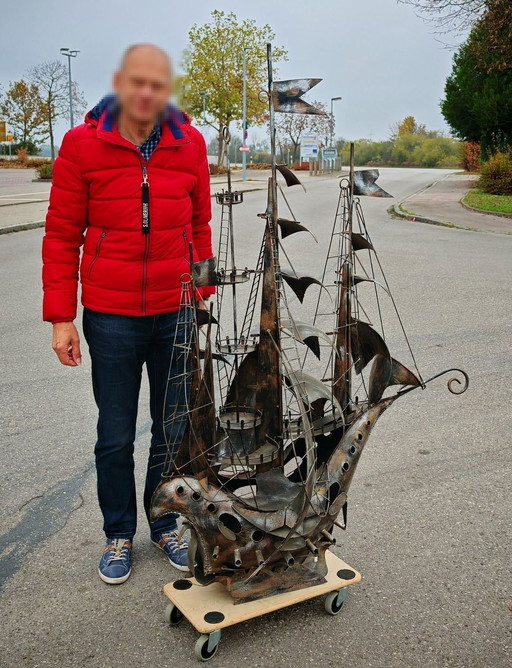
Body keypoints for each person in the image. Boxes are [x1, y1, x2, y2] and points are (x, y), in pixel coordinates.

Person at [42, 43, 214, 585]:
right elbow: (62, 234)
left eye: (157, 84)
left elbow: (200, 223)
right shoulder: (81, 144)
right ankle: (118, 533)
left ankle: (162, 524)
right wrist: (61, 317)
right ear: (120, 82)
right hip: (111, 316)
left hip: (175, 310)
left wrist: (201, 288)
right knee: (115, 433)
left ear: (168, 89)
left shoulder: (190, 144)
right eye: (136, 81)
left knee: (172, 427)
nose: (146, 93)